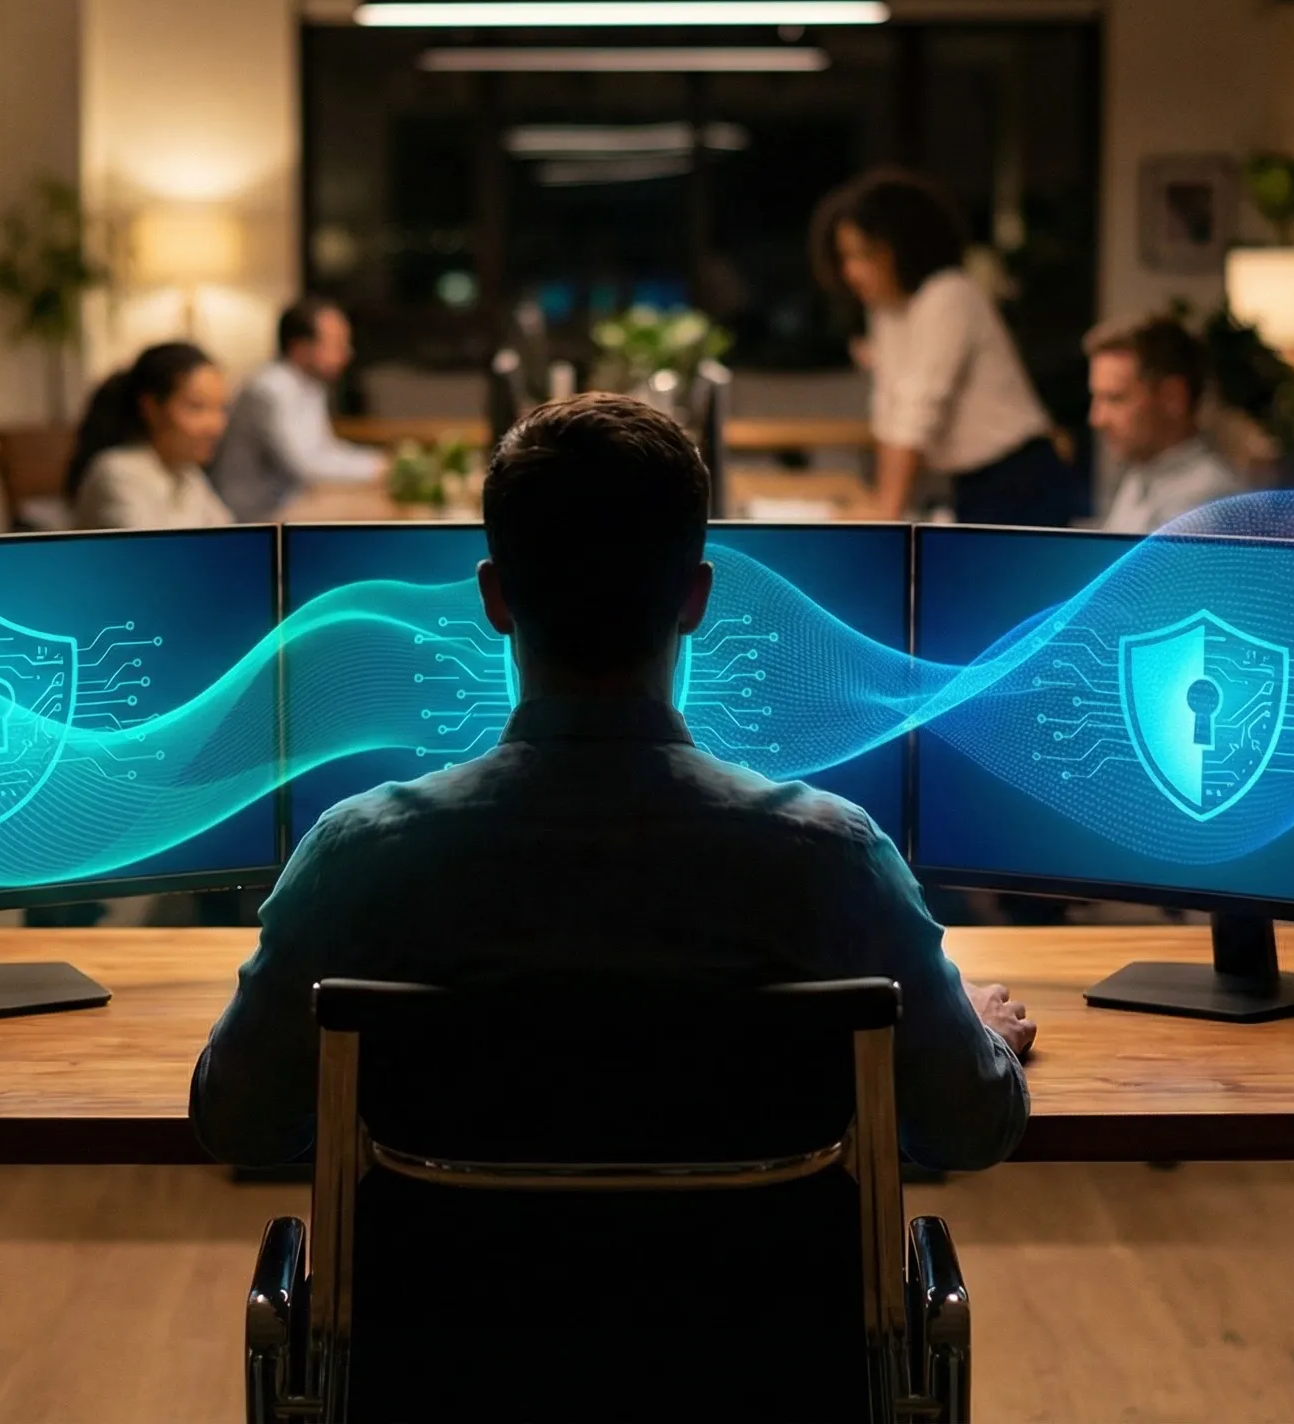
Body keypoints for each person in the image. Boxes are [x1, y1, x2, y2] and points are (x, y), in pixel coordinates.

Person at [191, 394, 1034, 1173]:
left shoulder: (357, 854)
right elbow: (965, 1124)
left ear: (494, 599)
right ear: (697, 598)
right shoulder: (833, 857)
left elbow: (236, 1118)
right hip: (756, 1330)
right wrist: (980, 1042)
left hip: (450, 1330)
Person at [817, 168, 1069, 526]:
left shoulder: (950, 293)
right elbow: (892, 410)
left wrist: (887, 509)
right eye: (846, 257)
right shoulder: (887, 308)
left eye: (866, 255)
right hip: (973, 482)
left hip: (1018, 476)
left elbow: (920, 407)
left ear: (902, 247)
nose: (852, 272)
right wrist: (880, 505)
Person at [209, 296, 383, 519]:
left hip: (290, 500)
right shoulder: (269, 389)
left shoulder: (310, 383)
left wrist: (378, 463)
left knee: (378, 505)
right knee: (374, 516)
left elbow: (325, 449)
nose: (347, 353)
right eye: (336, 344)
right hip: (254, 514)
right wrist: (377, 468)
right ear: (299, 347)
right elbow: (305, 466)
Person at [1087, 317, 1242, 535]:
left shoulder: (1206, 503)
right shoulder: (1141, 475)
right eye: (1097, 398)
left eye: (1115, 398)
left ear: (1172, 397)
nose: (1097, 419)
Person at [67, 341, 234, 530]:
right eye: (196, 407)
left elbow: (231, 540)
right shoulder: (117, 473)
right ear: (151, 408)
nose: (216, 426)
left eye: (221, 408)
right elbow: (150, 555)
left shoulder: (188, 474)